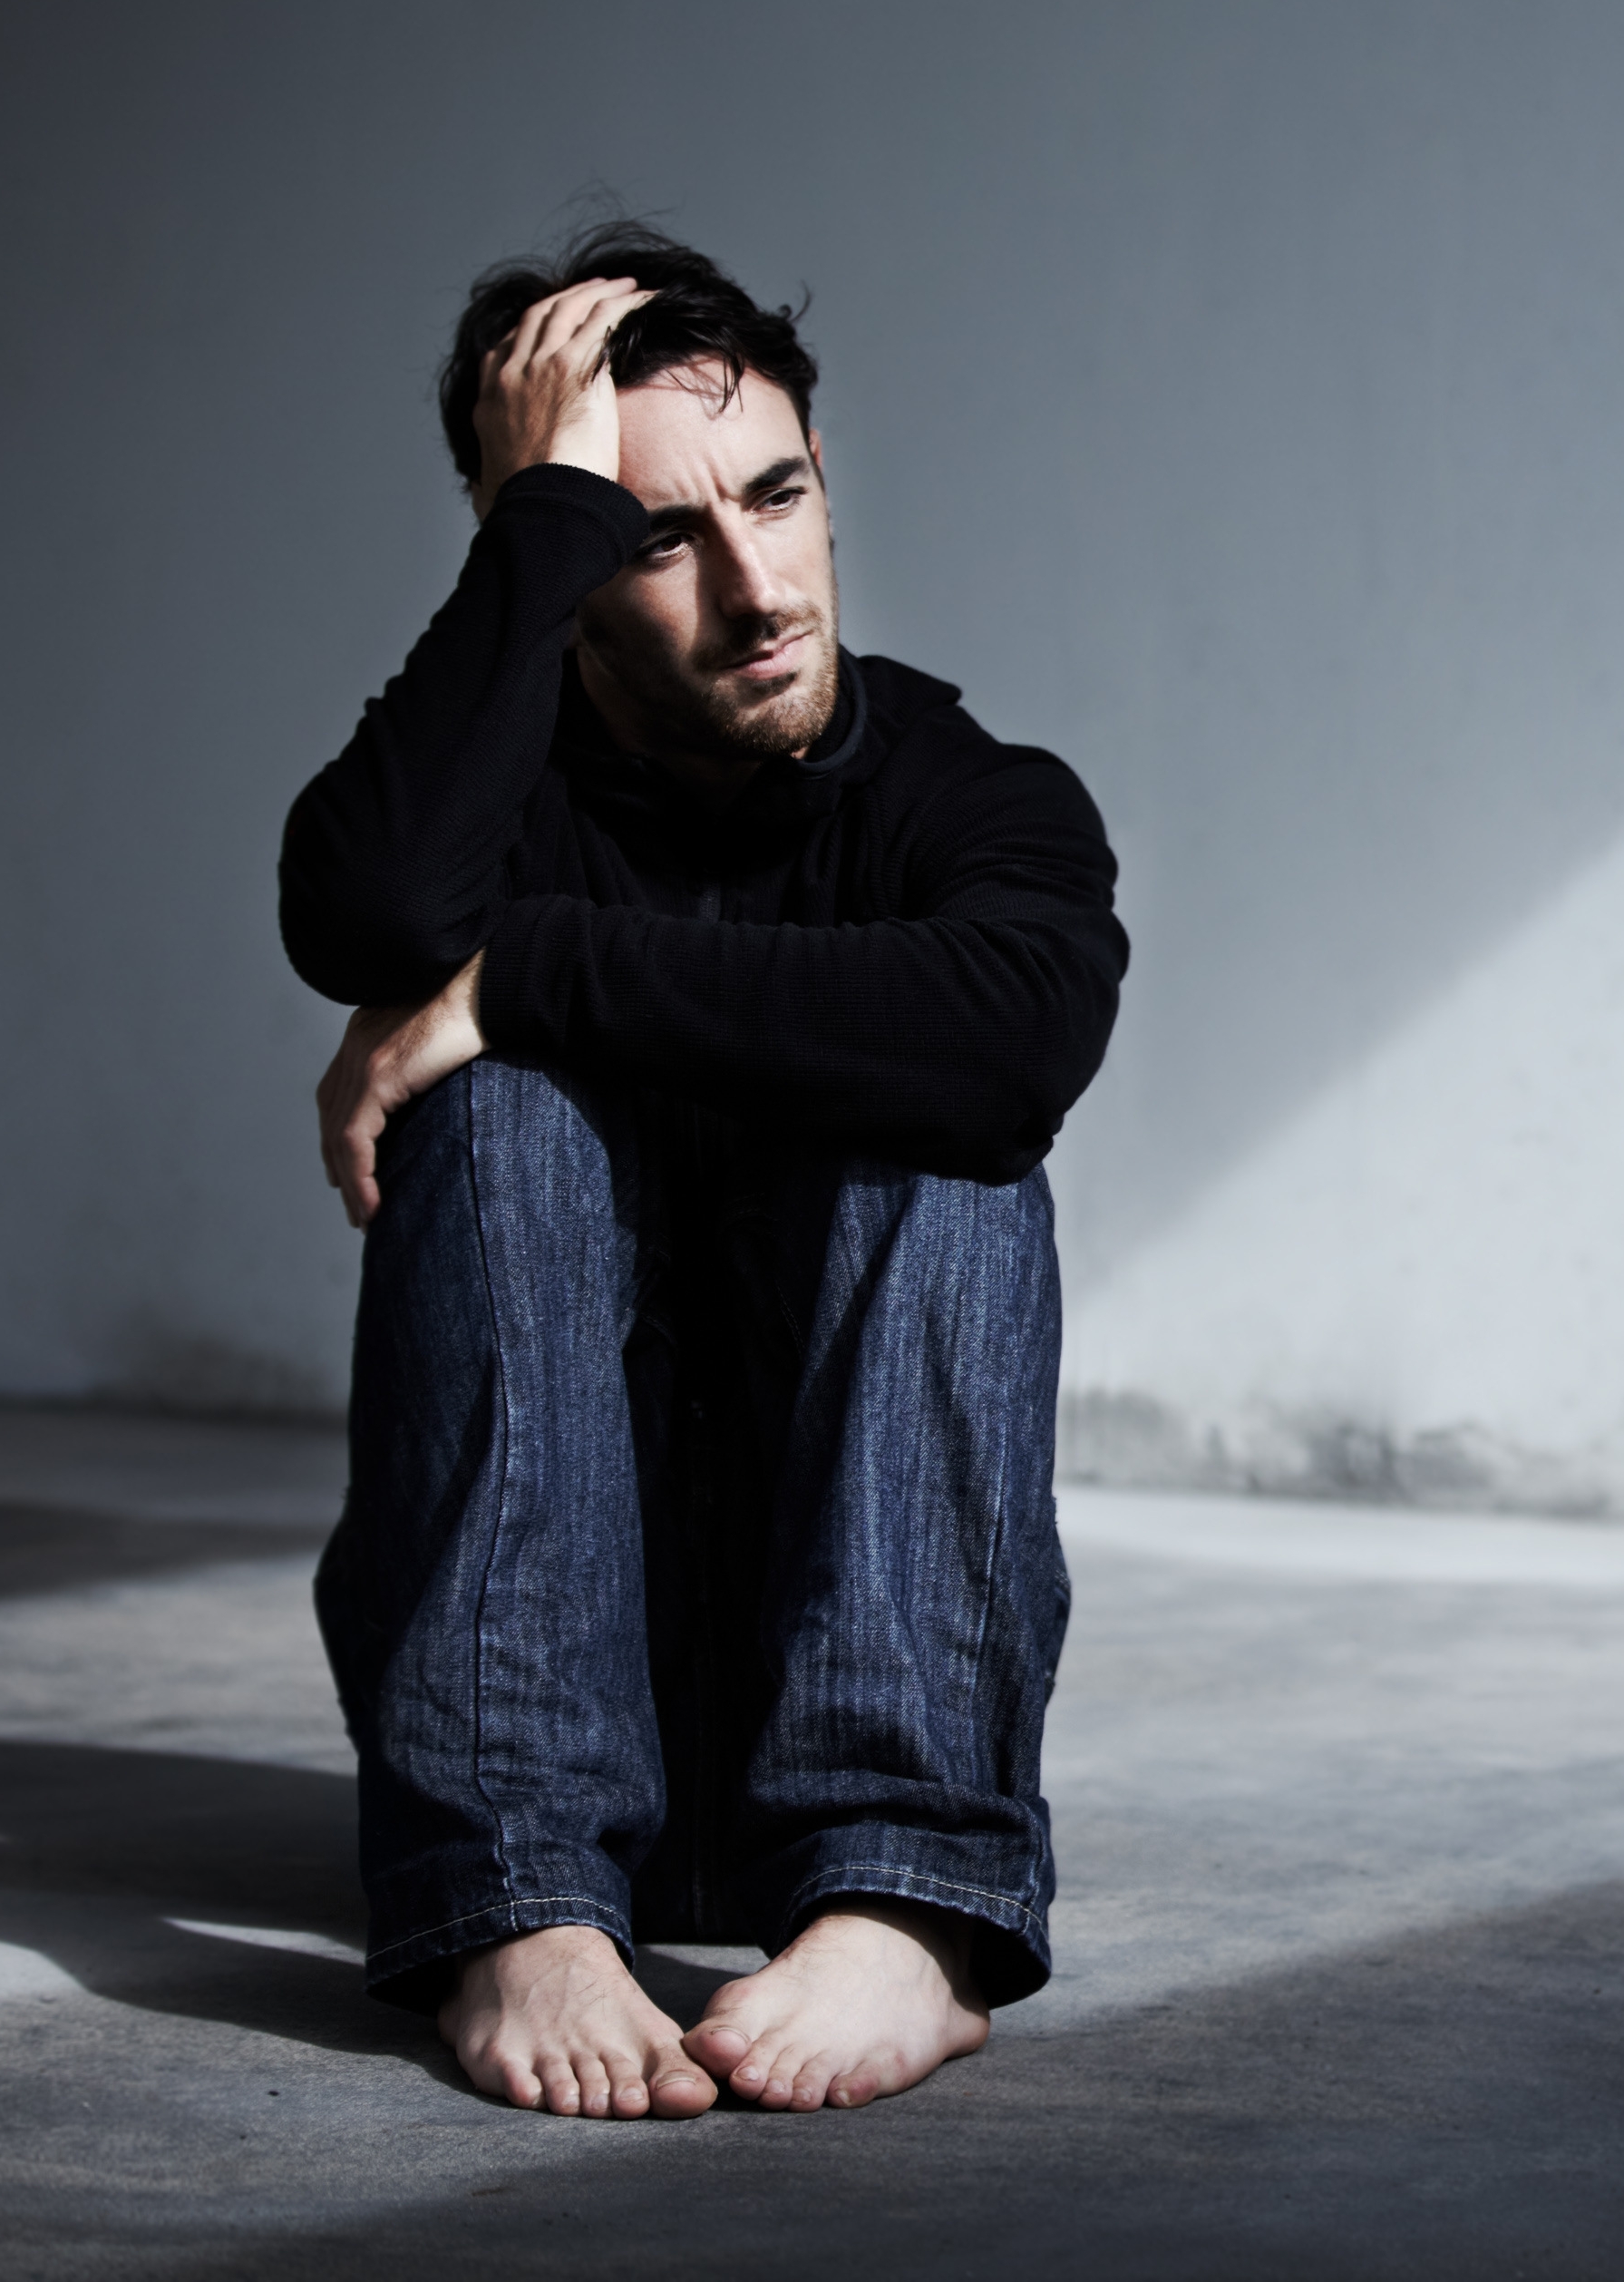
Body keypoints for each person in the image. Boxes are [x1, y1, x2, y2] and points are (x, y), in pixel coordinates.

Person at [277, 224, 1127, 2119]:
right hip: (529, 1719)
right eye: (656, 535)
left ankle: (905, 1896)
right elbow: (366, 912)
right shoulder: (493, 800)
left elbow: (1012, 1040)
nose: (757, 590)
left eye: (778, 496)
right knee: (494, 1109)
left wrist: (521, 973)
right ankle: (516, 1898)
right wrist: (534, 526)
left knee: (945, 1117)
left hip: (839, 1707)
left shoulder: (969, 795)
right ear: (557, 553)